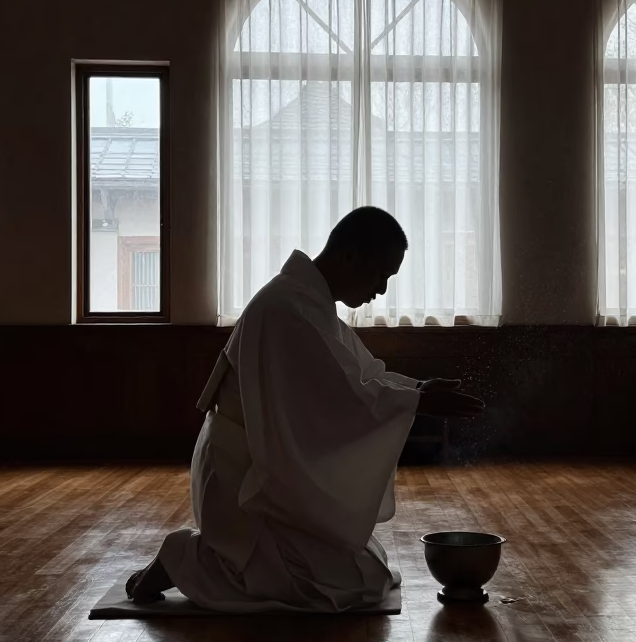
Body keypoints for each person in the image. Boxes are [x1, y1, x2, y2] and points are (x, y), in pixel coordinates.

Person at [126, 207, 485, 611]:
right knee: (345, 585)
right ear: (349, 255)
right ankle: (183, 558)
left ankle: (214, 554)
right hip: (243, 478)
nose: (381, 290)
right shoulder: (286, 309)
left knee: (369, 569)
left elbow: (359, 376)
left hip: (262, 462)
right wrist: (417, 400)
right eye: (381, 274)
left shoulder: (307, 303)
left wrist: (417, 389)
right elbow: (340, 398)